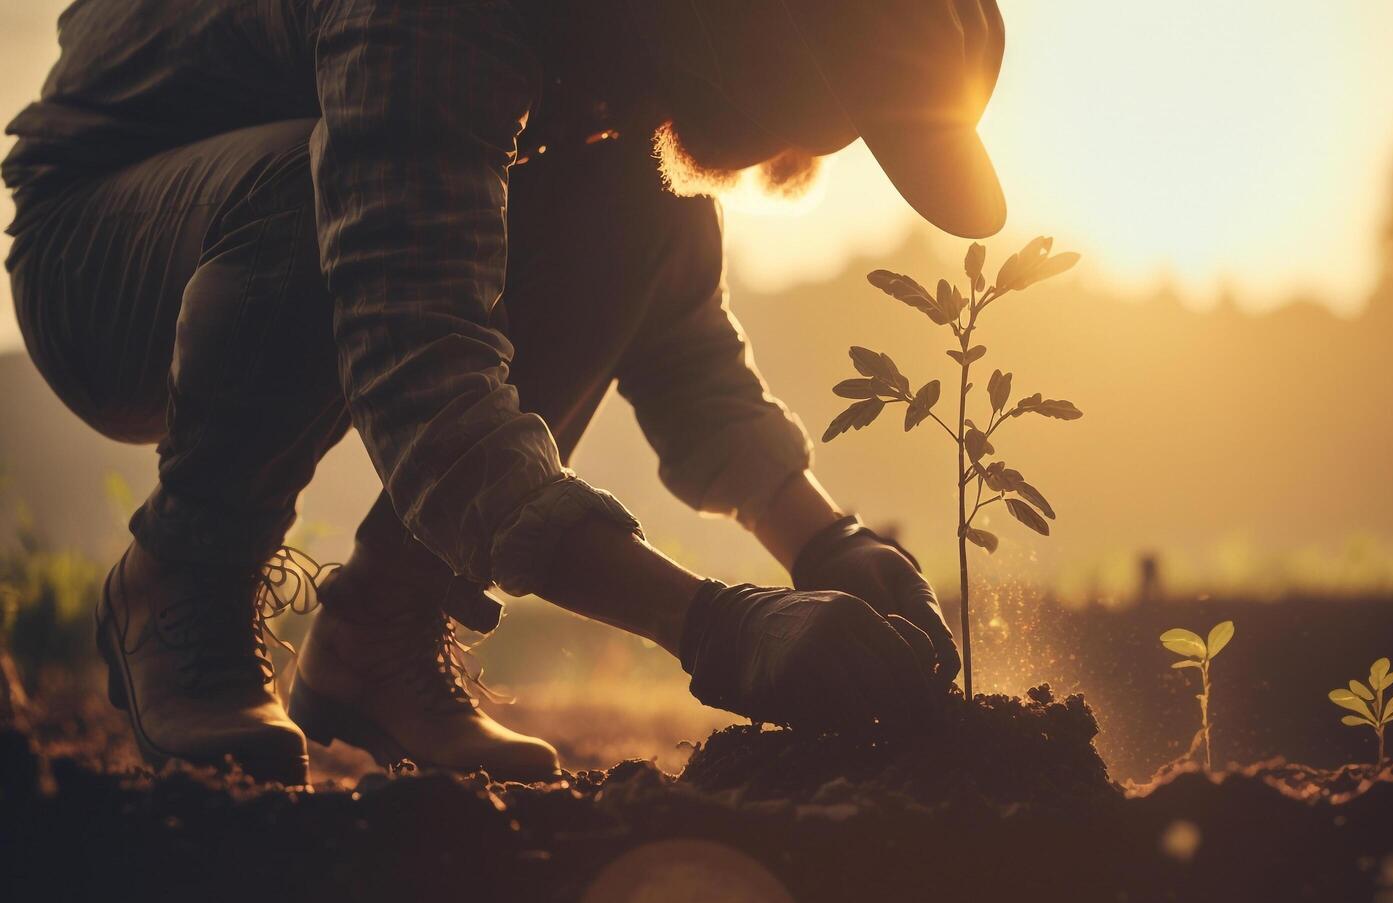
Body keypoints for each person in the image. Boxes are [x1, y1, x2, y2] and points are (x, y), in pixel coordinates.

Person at [3, 0, 1006, 784]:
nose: (813, 143)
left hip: (284, 195)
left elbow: (676, 333)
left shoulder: (623, 55)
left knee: (638, 212)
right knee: (307, 196)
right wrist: (715, 626)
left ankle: (378, 632)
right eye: (824, 101)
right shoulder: (440, 18)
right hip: (100, 248)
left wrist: (828, 540)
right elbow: (423, 377)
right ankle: (186, 572)